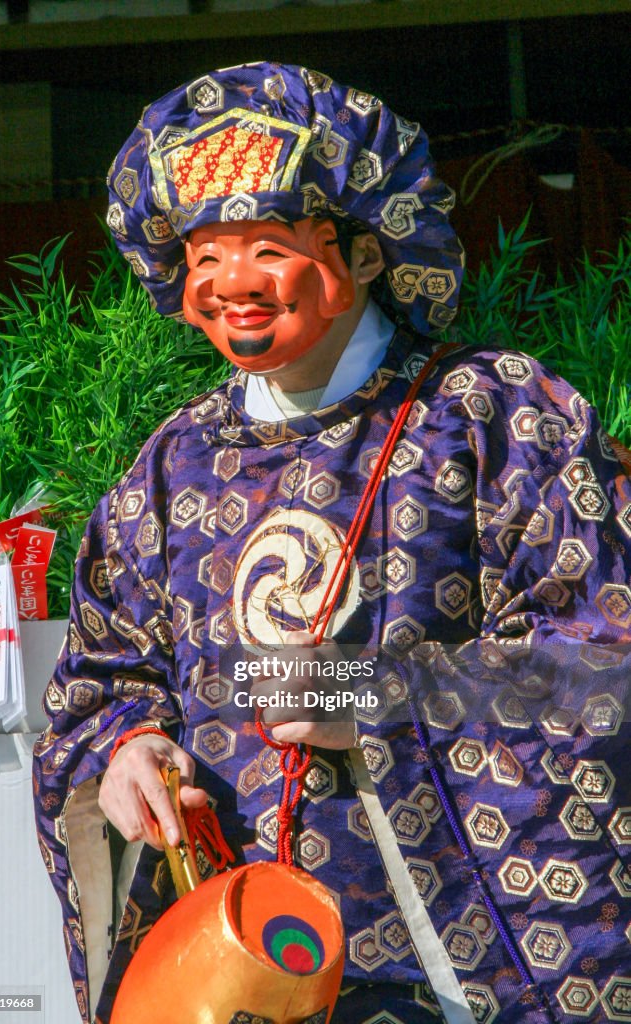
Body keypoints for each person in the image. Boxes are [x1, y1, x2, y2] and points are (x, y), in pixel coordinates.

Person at [33, 62, 631, 1024]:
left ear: (361, 254)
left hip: (455, 973)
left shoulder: (494, 415)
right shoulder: (170, 463)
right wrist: (126, 751)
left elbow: (599, 661)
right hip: (244, 967)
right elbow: (104, 680)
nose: (229, 286)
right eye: (202, 257)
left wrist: (381, 702)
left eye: (266, 248)